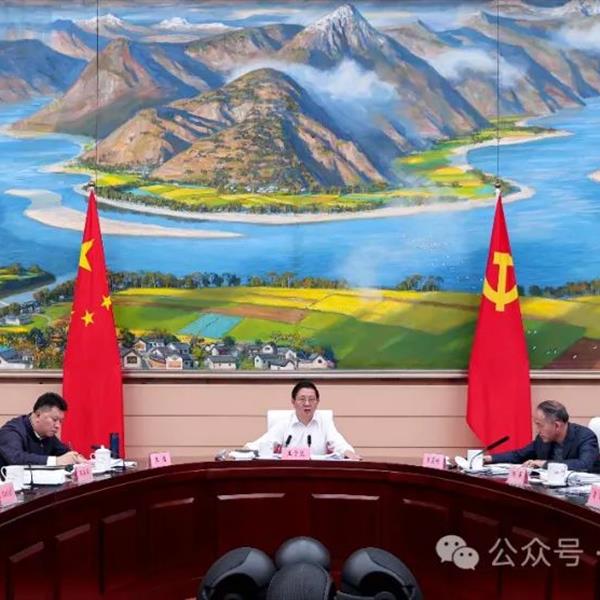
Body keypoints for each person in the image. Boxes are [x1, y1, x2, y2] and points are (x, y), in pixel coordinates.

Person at [245, 380, 361, 460]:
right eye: (302, 399)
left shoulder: (325, 422)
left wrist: (348, 452)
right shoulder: (284, 423)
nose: (307, 403)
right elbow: (264, 443)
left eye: (311, 399)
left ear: (317, 402)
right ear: (293, 402)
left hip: (317, 475)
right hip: (289, 474)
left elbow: (338, 442)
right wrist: (246, 451)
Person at [484, 400, 600, 472]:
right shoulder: (543, 438)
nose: (537, 430)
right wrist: (489, 459)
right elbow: (518, 455)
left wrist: (544, 464)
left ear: (556, 425)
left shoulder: (585, 437)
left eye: (540, 425)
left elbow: (585, 464)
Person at [0, 392, 86, 468]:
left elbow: (64, 452)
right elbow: (16, 458)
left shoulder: (46, 434)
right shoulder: (12, 431)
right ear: (38, 415)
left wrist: (76, 458)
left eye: (60, 421)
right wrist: (55, 461)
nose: (58, 426)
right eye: (54, 419)